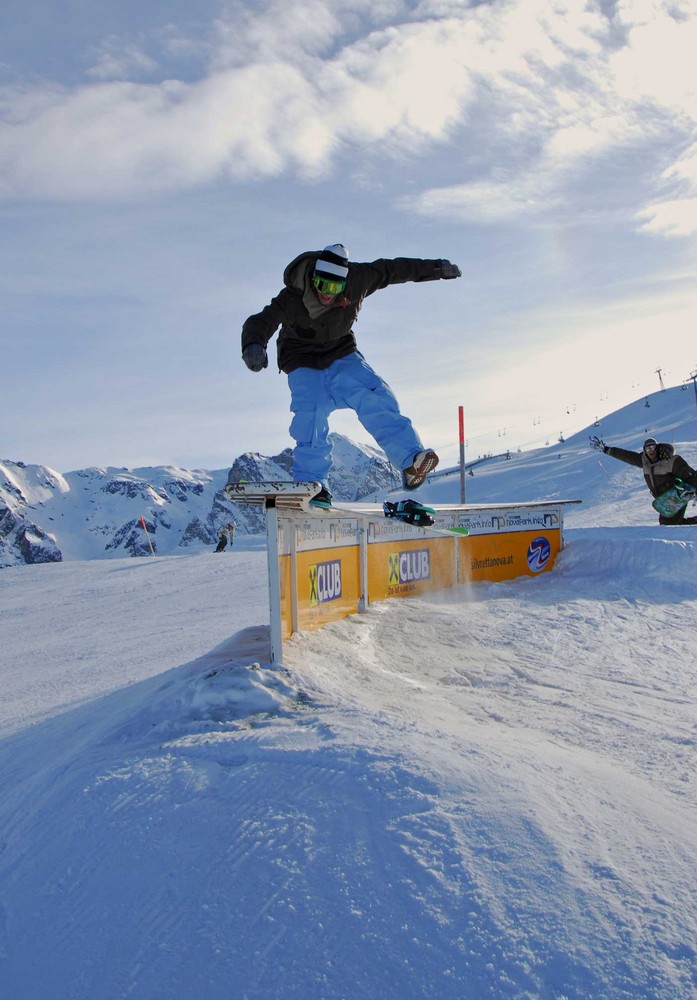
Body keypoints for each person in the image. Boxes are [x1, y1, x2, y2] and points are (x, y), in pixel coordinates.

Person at [240, 244, 461, 507]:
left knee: (374, 393)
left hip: (340, 351)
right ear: (313, 277)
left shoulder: (360, 278)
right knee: (311, 412)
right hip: (300, 358)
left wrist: (436, 268)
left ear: (344, 283)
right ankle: (312, 483)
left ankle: (410, 461)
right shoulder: (293, 296)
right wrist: (254, 344)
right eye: (320, 284)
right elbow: (261, 320)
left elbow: (395, 269)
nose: (325, 293)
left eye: (333, 288)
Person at [590, 435, 697, 524]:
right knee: (670, 524)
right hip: (664, 499)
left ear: (657, 448)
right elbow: (626, 456)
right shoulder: (644, 461)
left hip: (676, 495)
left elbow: (690, 474)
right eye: (648, 448)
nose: (651, 450)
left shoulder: (670, 460)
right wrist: (606, 449)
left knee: (668, 526)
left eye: (653, 447)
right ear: (644, 450)